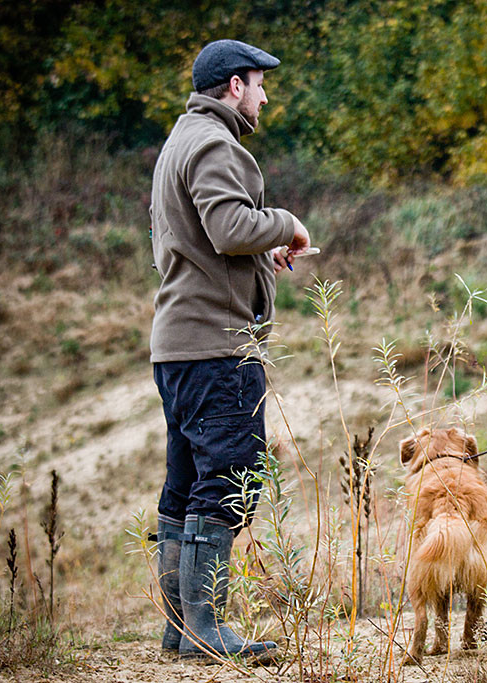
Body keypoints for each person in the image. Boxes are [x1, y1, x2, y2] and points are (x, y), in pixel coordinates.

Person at [148, 38, 310, 661]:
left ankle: (179, 629)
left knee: (186, 481)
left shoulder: (179, 140)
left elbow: (201, 237)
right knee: (229, 480)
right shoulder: (215, 142)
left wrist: (260, 252)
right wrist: (285, 223)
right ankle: (205, 630)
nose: (265, 95)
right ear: (234, 86)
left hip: (179, 345)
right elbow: (227, 227)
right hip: (215, 348)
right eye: (260, 83)